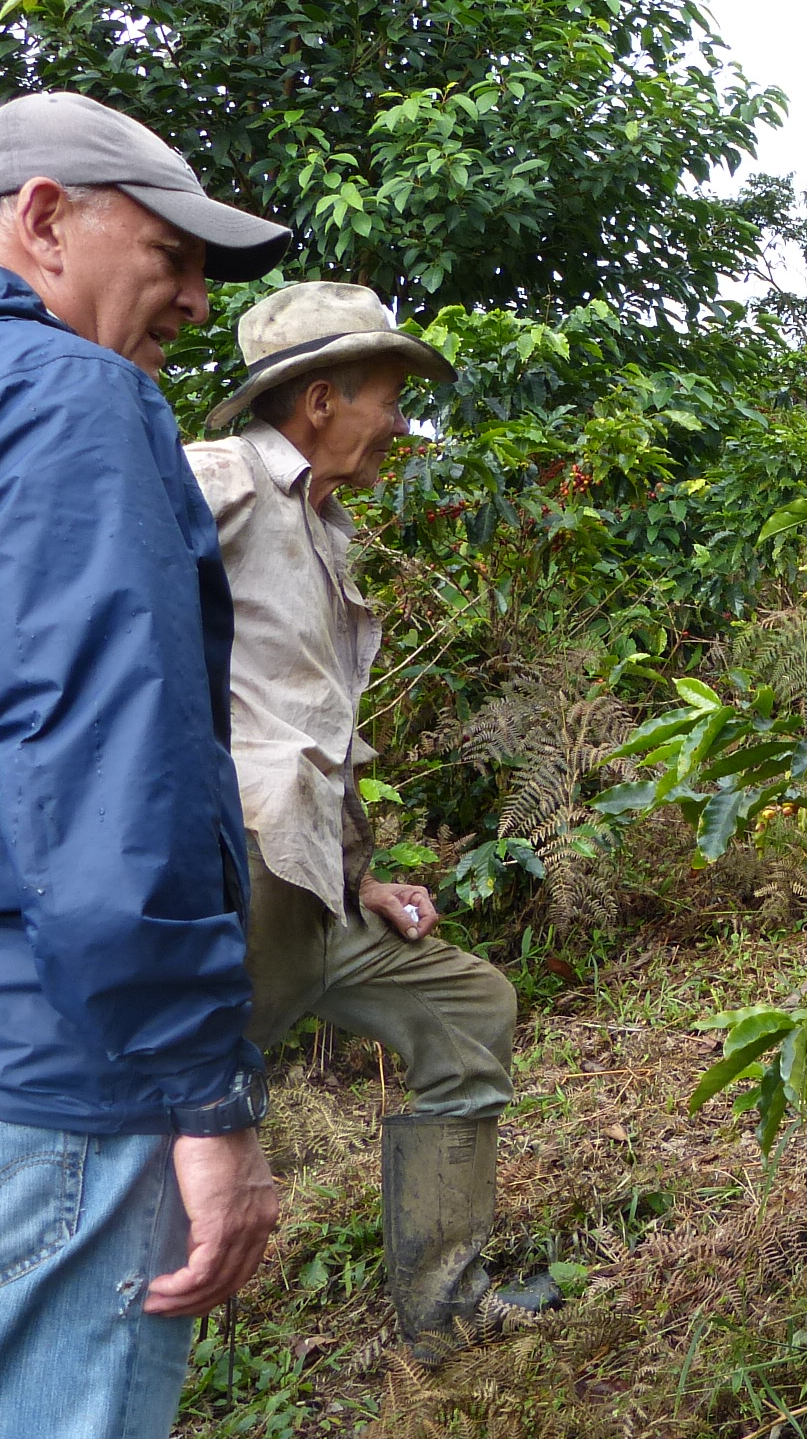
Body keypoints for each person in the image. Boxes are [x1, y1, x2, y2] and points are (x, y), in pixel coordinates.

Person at [0, 91, 290, 1439]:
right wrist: (205, 1097)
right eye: (168, 247)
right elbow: (112, 778)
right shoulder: (59, 398)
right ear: (43, 217)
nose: (194, 292)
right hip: (32, 1089)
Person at [184, 282, 549, 1360]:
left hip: (307, 878)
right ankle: (150, 1333)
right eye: (389, 398)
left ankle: (443, 1315)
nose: (400, 422)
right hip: (235, 871)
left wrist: (364, 878)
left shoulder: (321, 525)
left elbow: (315, 730)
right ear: (319, 400)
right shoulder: (216, 480)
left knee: (466, 1005)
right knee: (181, 1108)